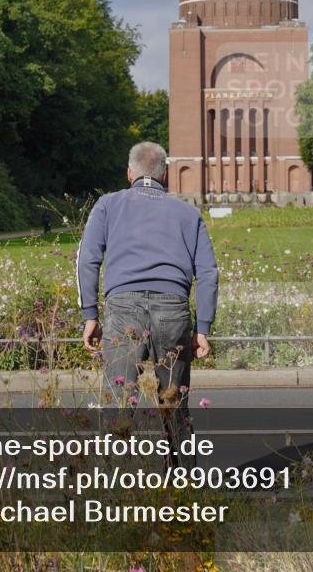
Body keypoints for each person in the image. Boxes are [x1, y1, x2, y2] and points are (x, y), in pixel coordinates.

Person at [78, 141, 219, 468]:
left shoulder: (107, 205)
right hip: (173, 310)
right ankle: (184, 490)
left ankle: (118, 490)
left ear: (129, 173)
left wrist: (90, 315)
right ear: (165, 174)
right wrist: (203, 328)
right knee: (174, 404)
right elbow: (208, 273)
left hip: (123, 308)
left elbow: (87, 260)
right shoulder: (188, 213)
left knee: (119, 404)